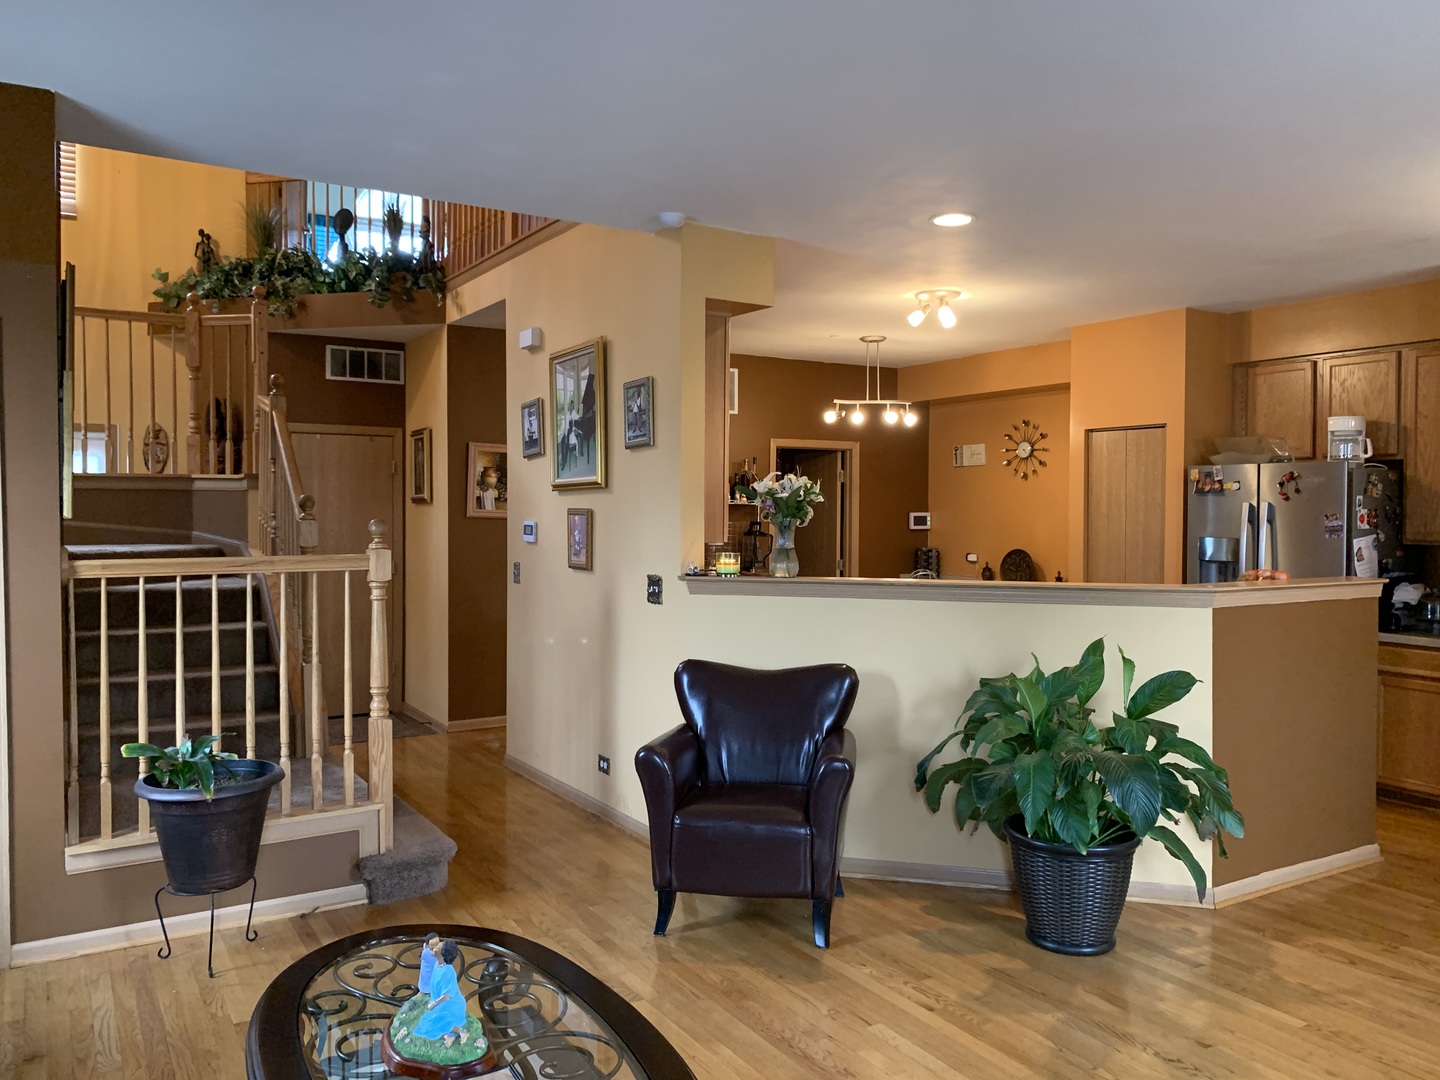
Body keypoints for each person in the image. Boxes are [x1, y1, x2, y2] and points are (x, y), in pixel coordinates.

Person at [412, 939, 469, 1046]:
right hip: (440, 1003)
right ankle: (448, 1036)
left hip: (451, 1005)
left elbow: (447, 995)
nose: (434, 948)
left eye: (438, 947)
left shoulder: (448, 971)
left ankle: (462, 1032)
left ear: (443, 954)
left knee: (438, 1022)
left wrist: (434, 1004)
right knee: (424, 1024)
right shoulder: (436, 965)